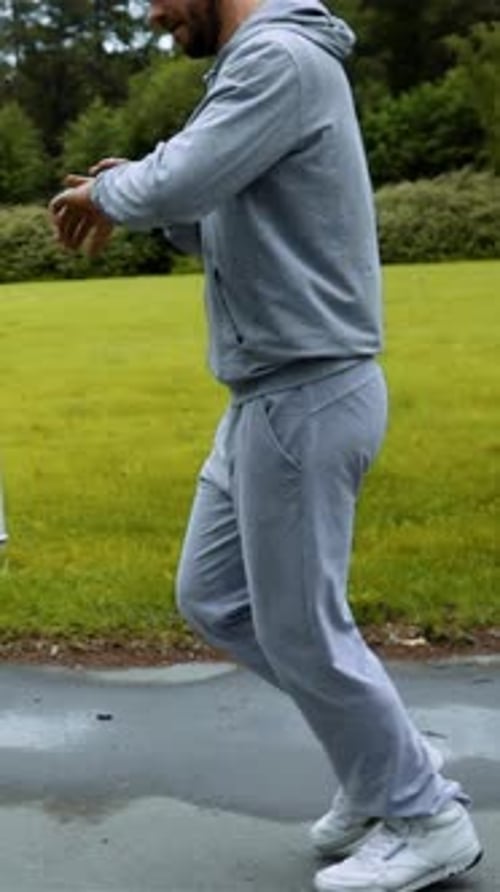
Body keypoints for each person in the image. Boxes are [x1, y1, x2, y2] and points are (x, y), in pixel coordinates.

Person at [50, 1, 483, 889]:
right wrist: (143, 187)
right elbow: (211, 211)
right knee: (214, 599)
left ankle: (425, 816)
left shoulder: (276, 59)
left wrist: (117, 190)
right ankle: (382, 772)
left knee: (303, 629)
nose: (154, 14)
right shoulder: (264, 65)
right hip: (265, 394)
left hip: (307, 388)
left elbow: (175, 184)